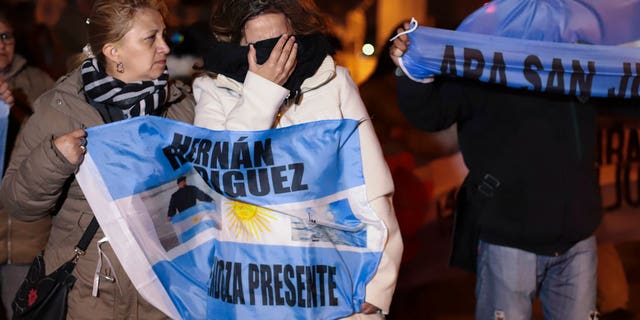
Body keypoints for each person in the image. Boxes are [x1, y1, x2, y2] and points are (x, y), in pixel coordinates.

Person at [388, 22, 638, 319]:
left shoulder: (573, 52)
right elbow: (432, 114)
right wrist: (412, 68)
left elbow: (622, 97)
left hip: (576, 235)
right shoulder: (480, 51)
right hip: (509, 239)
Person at [192, 0, 402, 317]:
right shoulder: (214, 90)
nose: (273, 57)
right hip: (255, 291)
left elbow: (372, 188)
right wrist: (261, 90)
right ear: (239, 44)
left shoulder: (332, 82)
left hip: (333, 287)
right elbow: (219, 174)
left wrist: (378, 285)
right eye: (257, 46)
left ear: (296, 34)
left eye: (280, 43)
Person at [0, 0, 194, 318]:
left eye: (164, 35)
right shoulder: (61, 108)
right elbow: (17, 202)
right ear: (113, 52)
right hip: (90, 295)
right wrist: (55, 159)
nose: (164, 47)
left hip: (164, 294)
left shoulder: (181, 105)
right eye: (150, 38)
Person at [0, 8, 55, 319]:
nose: (1, 44)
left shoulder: (37, 81)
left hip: (26, 233)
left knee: (21, 311)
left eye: (6, 36)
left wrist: (15, 109)